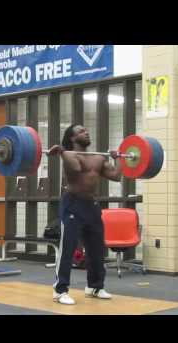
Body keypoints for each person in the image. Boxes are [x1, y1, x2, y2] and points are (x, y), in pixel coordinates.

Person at [47, 124, 122, 305]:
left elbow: (116, 175)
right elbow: (75, 169)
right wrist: (63, 153)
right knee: (68, 248)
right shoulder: (70, 156)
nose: (86, 132)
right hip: (72, 204)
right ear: (72, 138)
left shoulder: (97, 158)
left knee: (96, 248)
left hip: (92, 205)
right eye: (81, 131)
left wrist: (118, 158)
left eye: (86, 130)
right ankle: (60, 290)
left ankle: (95, 286)